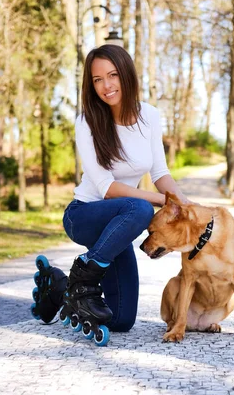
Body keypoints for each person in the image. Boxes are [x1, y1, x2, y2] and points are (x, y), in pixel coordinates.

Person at [31, 44, 191, 345]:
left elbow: (159, 173)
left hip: (116, 228)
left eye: (112, 75)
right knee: (141, 210)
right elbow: (105, 188)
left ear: (126, 75)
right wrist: (159, 201)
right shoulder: (87, 122)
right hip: (85, 215)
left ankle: (59, 287)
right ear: (91, 85)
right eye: (97, 79)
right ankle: (83, 278)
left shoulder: (150, 116)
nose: (106, 85)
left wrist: (184, 204)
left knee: (121, 319)